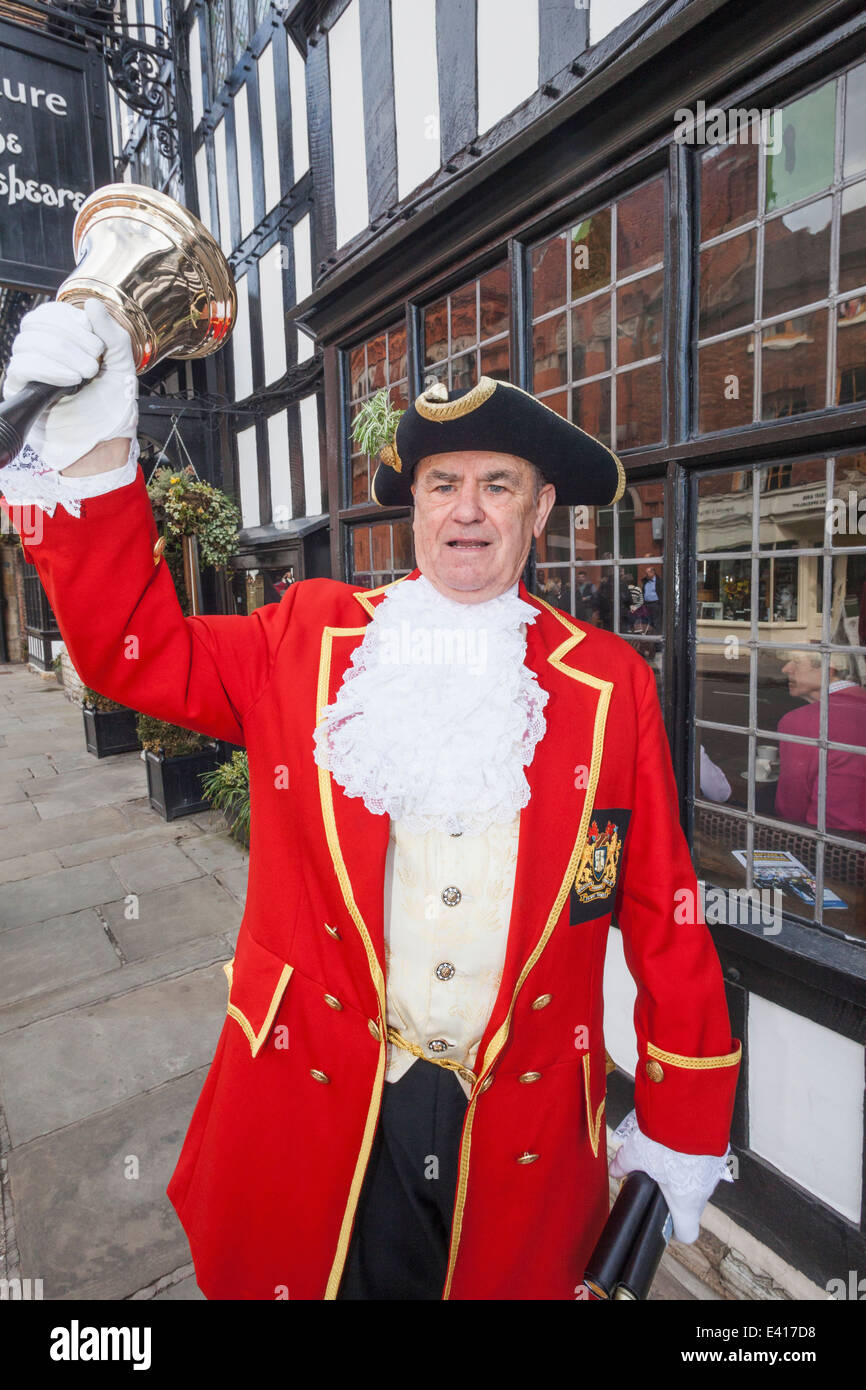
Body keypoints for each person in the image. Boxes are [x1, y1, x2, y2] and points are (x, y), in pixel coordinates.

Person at [0, 302, 741, 1301]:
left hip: (516, 1124)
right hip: (321, 1087)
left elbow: (662, 912)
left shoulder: (607, 683)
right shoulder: (307, 639)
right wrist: (88, 455)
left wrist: (679, 1126)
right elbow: (133, 649)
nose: (466, 509)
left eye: (496, 485)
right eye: (442, 484)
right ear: (414, 507)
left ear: (538, 508)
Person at [775, 649, 866, 833]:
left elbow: (791, 808)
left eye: (796, 662)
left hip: (830, 848)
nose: (786, 669)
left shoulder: (800, 721)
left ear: (828, 668)